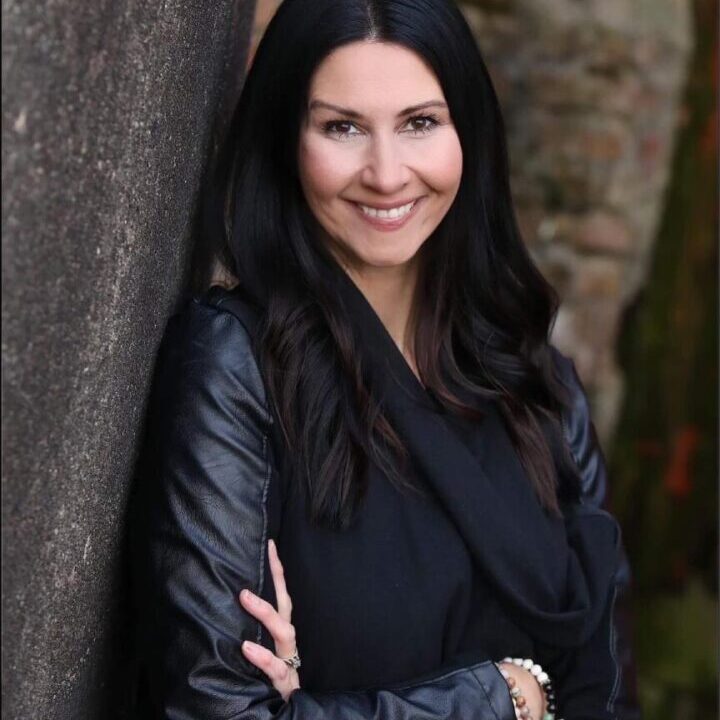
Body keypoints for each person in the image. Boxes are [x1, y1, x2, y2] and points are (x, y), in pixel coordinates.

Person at [129, 1, 639, 718]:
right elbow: (216, 710)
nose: (386, 173)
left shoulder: (542, 389)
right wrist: (507, 697)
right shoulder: (235, 366)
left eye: (420, 123)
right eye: (342, 127)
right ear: (286, 140)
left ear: (470, 134)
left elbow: (613, 693)